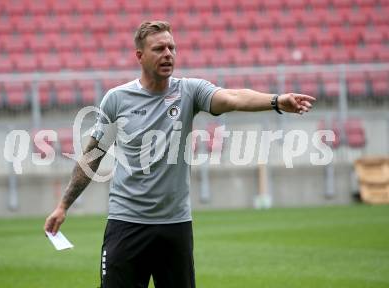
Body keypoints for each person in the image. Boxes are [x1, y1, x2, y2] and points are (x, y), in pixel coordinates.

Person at [44, 20, 315, 288]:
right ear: (140, 56)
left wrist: (276, 101)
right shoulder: (117, 99)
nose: (168, 54)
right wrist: (63, 205)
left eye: (172, 48)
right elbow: (92, 156)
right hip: (126, 224)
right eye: (159, 49)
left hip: (175, 226)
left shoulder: (189, 91)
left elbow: (232, 97)